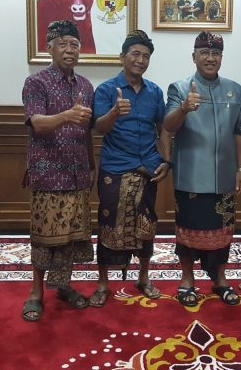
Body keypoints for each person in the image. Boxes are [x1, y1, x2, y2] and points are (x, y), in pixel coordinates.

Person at [164, 31, 241, 307]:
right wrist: (184, 109)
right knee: (188, 233)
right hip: (190, 177)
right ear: (194, 57)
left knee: (223, 231)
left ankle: (220, 280)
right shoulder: (179, 88)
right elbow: (168, 126)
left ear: (221, 58)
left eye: (215, 54)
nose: (210, 58)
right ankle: (187, 280)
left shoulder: (235, 89)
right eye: (204, 53)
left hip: (224, 176)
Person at [91, 30, 172, 308]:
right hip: (115, 167)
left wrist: (166, 161)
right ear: (122, 57)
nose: (140, 60)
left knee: (146, 223)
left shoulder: (155, 91)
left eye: (146, 56)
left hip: (148, 166)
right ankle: (103, 283)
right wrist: (114, 112)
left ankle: (143, 277)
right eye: (135, 54)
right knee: (108, 223)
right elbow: (99, 128)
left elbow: (163, 128)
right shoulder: (106, 90)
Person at [21, 20, 96, 321]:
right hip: (48, 173)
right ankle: (36, 292)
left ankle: (63, 286)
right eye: (62, 44)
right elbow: (37, 123)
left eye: (74, 44)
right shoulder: (36, 83)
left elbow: (87, 131)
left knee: (70, 238)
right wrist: (66, 115)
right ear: (49, 48)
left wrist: (91, 166)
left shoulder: (86, 86)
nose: (69, 50)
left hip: (78, 172)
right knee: (44, 238)